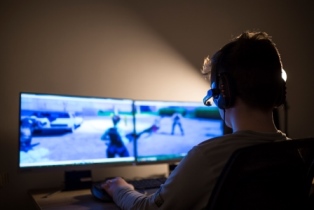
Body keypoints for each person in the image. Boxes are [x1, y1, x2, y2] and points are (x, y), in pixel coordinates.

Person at [101, 30, 289, 209]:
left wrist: (121, 188)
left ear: (223, 93)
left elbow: (147, 208)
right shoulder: (297, 153)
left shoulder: (208, 157)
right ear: (279, 91)